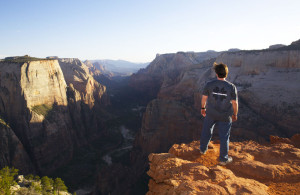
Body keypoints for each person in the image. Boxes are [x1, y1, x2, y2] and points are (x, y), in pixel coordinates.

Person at [200, 62, 238, 165]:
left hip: (211, 113)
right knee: (224, 137)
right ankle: (223, 159)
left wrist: (203, 108)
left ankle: (203, 149)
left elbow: (204, 98)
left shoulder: (209, 84)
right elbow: (234, 103)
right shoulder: (231, 87)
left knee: (206, 131)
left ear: (216, 73)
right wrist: (235, 114)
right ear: (226, 73)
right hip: (225, 116)